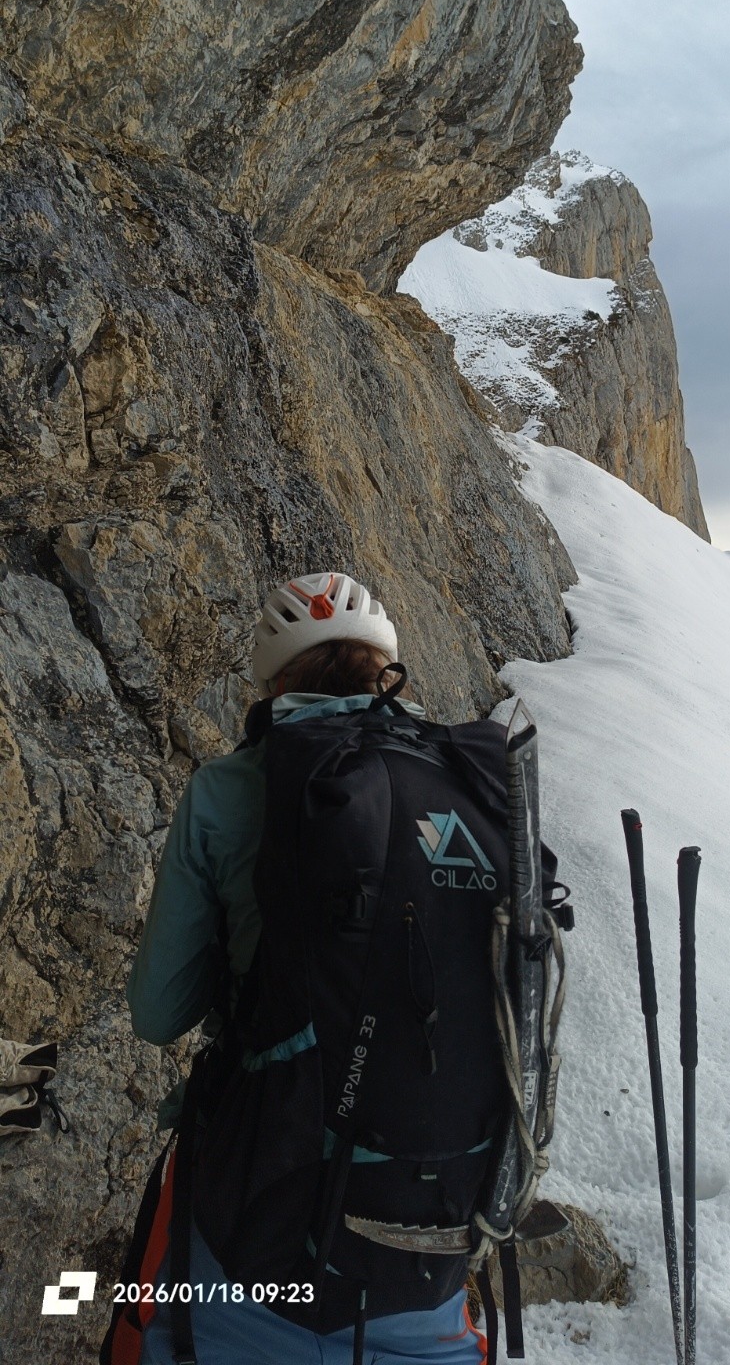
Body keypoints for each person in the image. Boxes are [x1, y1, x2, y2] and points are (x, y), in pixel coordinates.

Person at [127, 572, 487, 1365]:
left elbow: (157, 1013)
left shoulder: (226, 793)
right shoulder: (468, 784)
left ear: (273, 679)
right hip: (431, 1246)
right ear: (382, 667)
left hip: (250, 1235)